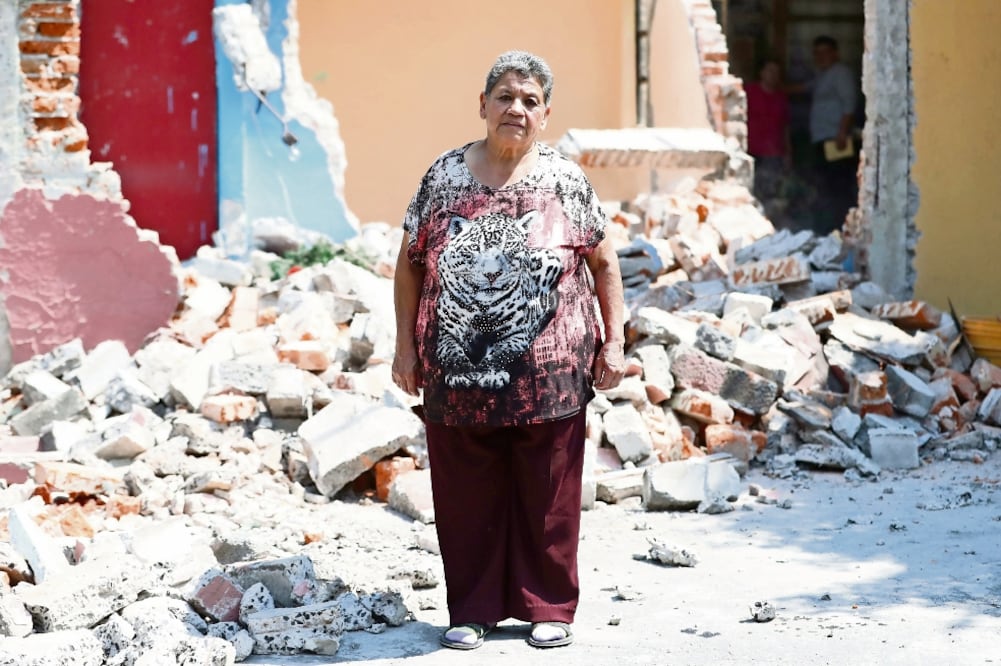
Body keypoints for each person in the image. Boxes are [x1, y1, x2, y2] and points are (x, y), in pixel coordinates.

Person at [392, 50, 625, 651]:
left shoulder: (564, 178)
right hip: (456, 370)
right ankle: (473, 610)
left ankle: (548, 607)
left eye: (529, 101)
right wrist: (404, 349)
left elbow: (603, 262)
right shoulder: (444, 176)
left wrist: (616, 340)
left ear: (544, 115)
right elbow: (410, 262)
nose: (515, 109)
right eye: (504, 97)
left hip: (552, 370)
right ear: (483, 106)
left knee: (549, 492)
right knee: (466, 495)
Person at [807, 35, 859, 234]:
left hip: (836, 141)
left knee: (838, 186)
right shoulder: (822, 75)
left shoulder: (841, 73)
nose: (820, 56)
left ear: (835, 53)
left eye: (824, 52)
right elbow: (802, 88)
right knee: (825, 185)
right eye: (817, 53)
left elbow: (849, 104)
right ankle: (828, 229)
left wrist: (842, 133)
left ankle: (841, 228)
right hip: (822, 140)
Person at [745, 58, 791, 224]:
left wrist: (788, 153)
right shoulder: (749, 92)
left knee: (771, 192)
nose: (773, 75)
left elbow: (785, 127)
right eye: (769, 71)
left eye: (776, 72)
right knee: (750, 191)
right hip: (751, 150)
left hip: (774, 153)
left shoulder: (780, 98)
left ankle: (768, 225)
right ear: (761, 73)